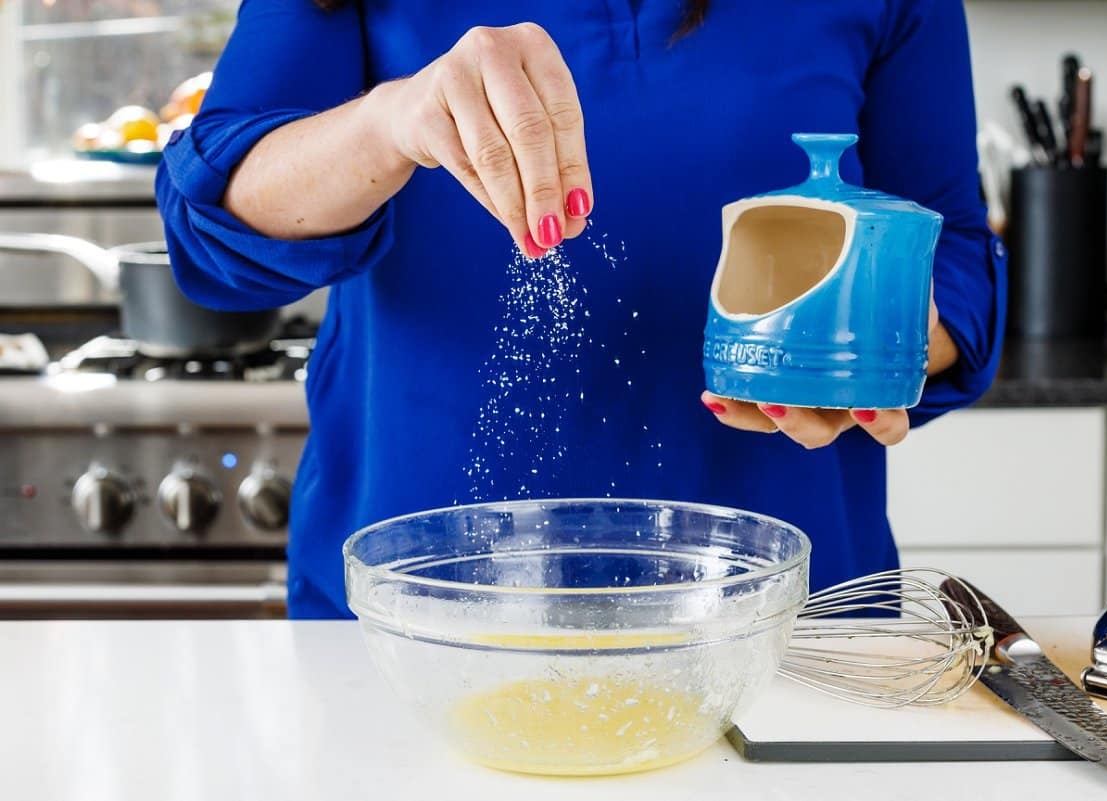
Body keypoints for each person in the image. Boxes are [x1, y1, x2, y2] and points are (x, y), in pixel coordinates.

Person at [157, 0, 1006, 618]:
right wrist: (391, 122)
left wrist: (869, 352)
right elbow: (213, 223)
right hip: (421, 613)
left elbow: (955, 251)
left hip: (786, 618)